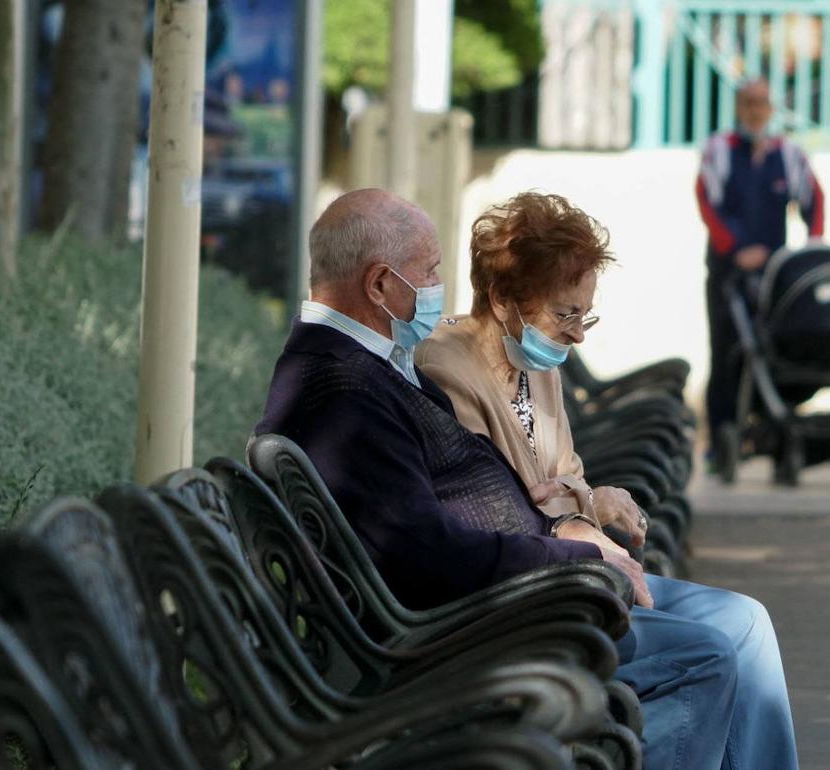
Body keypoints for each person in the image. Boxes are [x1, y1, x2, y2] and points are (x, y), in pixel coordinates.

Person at [256, 188, 797, 770]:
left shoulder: (366, 369)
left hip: (514, 598)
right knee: (705, 655)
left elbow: (454, 511)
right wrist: (565, 557)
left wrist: (565, 539)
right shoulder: (342, 389)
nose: (441, 287)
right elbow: (422, 551)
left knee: (737, 631)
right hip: (475, 628)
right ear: (380, 285)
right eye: (430, 271)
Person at [417, 192, 799, 770]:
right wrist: (580, 504)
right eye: (564, 313)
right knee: (712, 652)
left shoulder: (531, 367)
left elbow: (560, 480)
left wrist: (581, 500)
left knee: (748, 620)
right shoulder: (446, 368)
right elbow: (510, 504)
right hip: (530, 595)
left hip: (579, 570)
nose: (578, 334)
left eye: (584, 313)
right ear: (500, 299)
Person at [695, 78, 825, 473]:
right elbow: (706, 201)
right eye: (748, 103)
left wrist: (814, 246)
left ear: (771, 109)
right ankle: (722, 438)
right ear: (738, 107)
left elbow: (814, 201)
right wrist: (735, 250)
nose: (755, 110)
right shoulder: (719, 150)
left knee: (775, 353)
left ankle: (774, 433)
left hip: (773, 276)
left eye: (762, 103)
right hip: (728, 272)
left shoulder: (788, 154)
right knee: (727, 353)